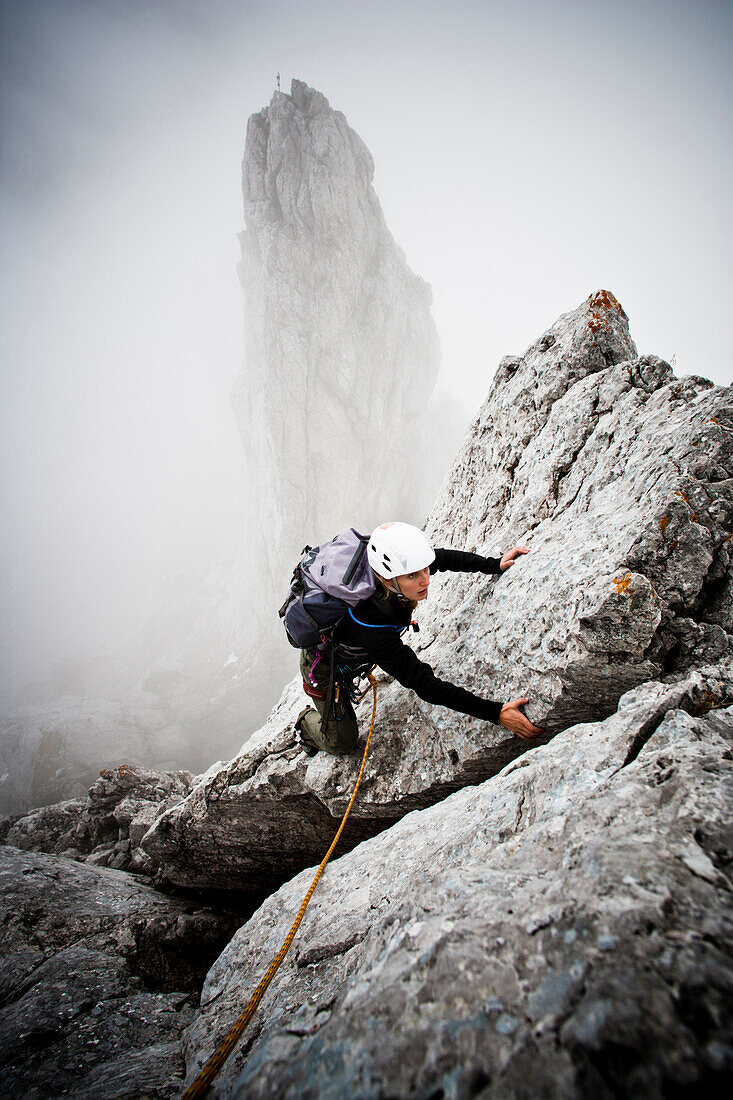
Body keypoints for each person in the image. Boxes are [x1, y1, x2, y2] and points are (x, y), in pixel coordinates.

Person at [295, 521, 543, 755]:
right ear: (387, 578)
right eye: (413, 576)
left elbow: (442, 559)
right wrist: (496, 713)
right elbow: (424, 685)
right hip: (325, 667)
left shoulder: (399, 570)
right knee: (343, 743)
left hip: (352, 651)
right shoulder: (372, 625)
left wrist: (494, 564)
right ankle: (305, 723)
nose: (425, 580)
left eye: (424, 570)